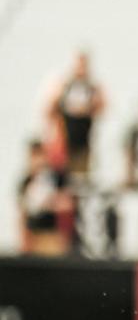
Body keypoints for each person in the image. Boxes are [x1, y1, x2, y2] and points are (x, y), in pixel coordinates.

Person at [46, 51, 105, 180]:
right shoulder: (65, 85)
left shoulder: (91, 87)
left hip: (83, 139)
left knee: (80, 177)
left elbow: (102, 107)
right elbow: (50, 108)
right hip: (65, 140)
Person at [18, 140, 70, 256]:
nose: (38, 161)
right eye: (34, 156)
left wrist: (48, 203)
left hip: (51, 235)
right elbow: (22, 212)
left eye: (40, 155)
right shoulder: (26, 182)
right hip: (32, 235)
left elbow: (67, 204)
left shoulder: (56, 178)